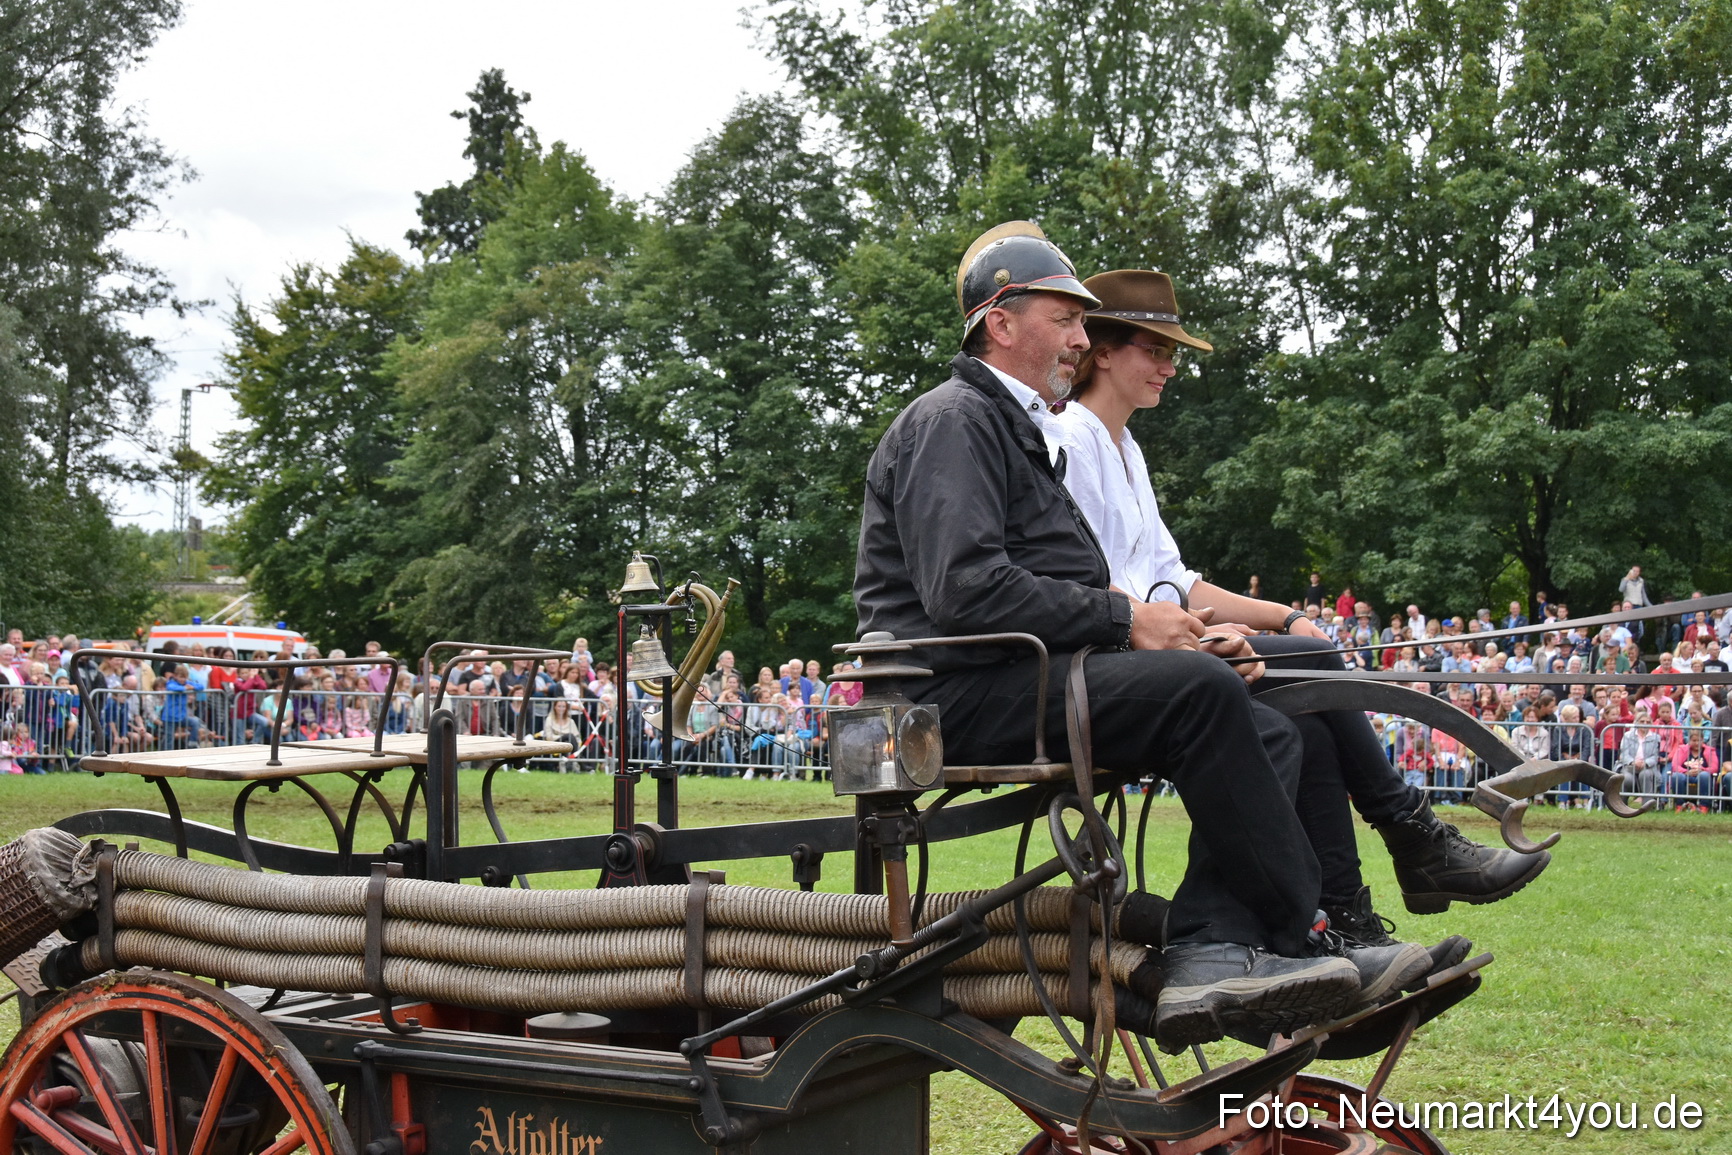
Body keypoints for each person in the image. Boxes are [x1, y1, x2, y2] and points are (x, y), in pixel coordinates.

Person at [857, 222, 1385, 1051]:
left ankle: (1222, 943)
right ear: (1001, 321)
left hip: (1024, 675)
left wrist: (1173, 631)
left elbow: (1066, 586)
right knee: (1206, 694)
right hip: (954, 693)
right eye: (1067, 319)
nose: (1080, 338)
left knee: (1270, 716)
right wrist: (1127, 621)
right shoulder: (955, 419)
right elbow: (964, 590)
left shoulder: (1020, 429)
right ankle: (1294, 934)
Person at [1046, 266, 1544, 949]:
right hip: (1116, 667)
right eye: (1156, 350)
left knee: (1305, 710)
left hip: (1160, 651)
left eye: (1171, 354)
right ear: (1104, 352)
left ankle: (1347, 913)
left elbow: (1178, 582)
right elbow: (1090, 585)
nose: (1168, 367)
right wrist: (1214, 634)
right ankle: (1410, 834)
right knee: (1313, 660)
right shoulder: (1070, 438)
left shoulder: (1127, 450)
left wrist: (1282, 615)